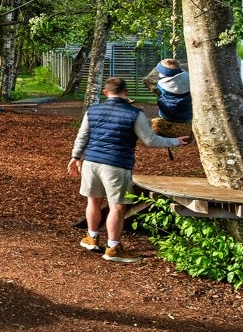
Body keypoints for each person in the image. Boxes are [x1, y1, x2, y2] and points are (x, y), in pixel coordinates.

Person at [68, 76, 190, 263]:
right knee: (117, 207)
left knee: (93, 201)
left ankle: (91, 238)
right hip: (116, 164)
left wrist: (75, 157)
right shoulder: (134, 114)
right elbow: (150, 140)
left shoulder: (92, 111)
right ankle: (113, 248)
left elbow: (82, 136)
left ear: (106, 93)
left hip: (91, 163)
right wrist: (175, 141)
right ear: (126, 93)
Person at [144, 57, 193, 139]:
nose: (159, 74)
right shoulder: (189, 78)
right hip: (187, 116)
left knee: (163, 102)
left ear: (165, 73)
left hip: (167, 115)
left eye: (160, 72)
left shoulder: (162, 84)